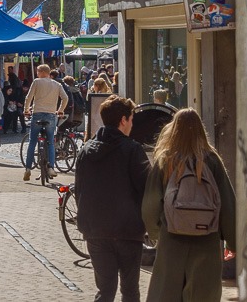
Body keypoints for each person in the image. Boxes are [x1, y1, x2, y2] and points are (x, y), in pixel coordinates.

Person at [142, 108, 236, 302]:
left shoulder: (165, 160)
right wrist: (233, 242)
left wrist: (158, 234)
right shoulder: (211, 160)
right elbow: (227, 204)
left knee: (167, 294)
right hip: (207, 243)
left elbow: (150, 205)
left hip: (172, 242)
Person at [75, 95, 150, 302]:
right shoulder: (133, 150)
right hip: (128, 231)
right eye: (131, 119)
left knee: (105, 291)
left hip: (96, 231)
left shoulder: (86, 151)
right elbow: (147, 188)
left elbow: (79, 190)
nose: (132, 124)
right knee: (130, 291)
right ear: (123, 120)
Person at [22, 63, 68, 181]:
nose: (37, 74)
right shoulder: (57, 84)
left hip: (37, 113)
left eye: (38, 72)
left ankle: (28, 169)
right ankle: (51, 167)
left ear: (42, 72)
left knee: (32, 141)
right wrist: (60, 110)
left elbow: (29, 97)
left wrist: (26, 110)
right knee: (51, 142)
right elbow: (65, 98)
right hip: (51, 115)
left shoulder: (37, 82)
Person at [2, 69, 24, 134]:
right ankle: (14, 129)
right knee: (14, 117)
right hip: (14, 103)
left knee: (9, 117)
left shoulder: (12, 87)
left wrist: (12, 101)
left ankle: (6, 128)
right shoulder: (18, 86)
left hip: (13, 103)